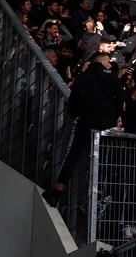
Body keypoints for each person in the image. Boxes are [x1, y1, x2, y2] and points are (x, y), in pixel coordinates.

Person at [43, 52, 126, 207]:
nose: (110, 65)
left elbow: (73, 104)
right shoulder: (111, 76)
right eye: (108, 62)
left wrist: (76, 116)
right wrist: (115, 114)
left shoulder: (81, 79)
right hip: (107, 121)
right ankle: (99, 194)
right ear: (101, 62)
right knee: (105, 157)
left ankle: (57, 192)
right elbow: (121, 97)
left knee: (72, 153)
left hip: (85, 119)